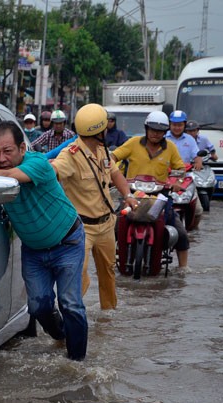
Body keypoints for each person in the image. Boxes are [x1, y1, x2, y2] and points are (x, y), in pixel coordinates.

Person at [0, 121, 88, 361]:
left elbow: (9, 177)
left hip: (67, 242)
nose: (1, 158)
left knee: (71, 304)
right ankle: (62, 335)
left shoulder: (37, 163)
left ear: (22, 149)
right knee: (38, 307)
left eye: (7, 151)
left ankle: (77, 364)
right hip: (34, 251)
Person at [51, 104, 138, 311]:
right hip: (81, 228)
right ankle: (71, 315)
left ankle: (108, 316)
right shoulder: (70, 155)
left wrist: (128, 196)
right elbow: (51, 173)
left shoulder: (103, 151)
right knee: (78, 275)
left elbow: (115, 174)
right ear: (99, 130)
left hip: (107, 224)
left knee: (108, 272)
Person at [112, 111, 191, 270]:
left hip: (160, 196)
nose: (155, 133)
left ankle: (183, 268)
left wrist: (176, 182)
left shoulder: (171, 147)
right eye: (152, 129)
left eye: (160, 130)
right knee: (112, 226)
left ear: (165, 132)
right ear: (146, 128)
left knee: (181, 232)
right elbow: (114, 157)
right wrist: (112, 172)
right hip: (132, 195)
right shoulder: (133, 143)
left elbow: (180, 169)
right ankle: (109, 260)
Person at [166, 110, 204, 229]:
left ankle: (192, 232)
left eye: (180, 125)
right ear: (170, 125)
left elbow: (197, 154)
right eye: (174, 125)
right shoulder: (163, 137)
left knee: (198, 210)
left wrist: (198, 162)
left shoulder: (190, 139)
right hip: (165, 175)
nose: (177, 127)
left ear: (184, 125)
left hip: (185, 176)